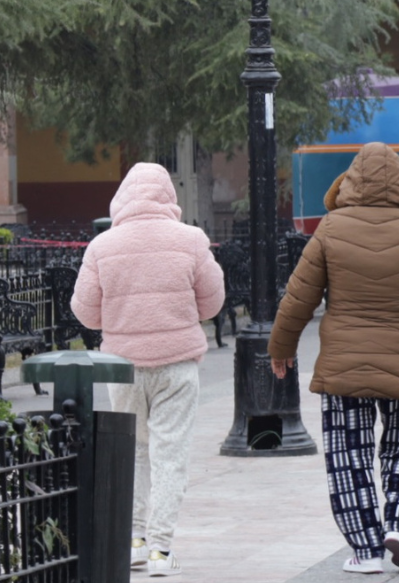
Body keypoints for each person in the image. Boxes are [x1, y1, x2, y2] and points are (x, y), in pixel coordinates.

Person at [268, 142, 399, 575]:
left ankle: (366, 548)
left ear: (349, 184)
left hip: (343, 368)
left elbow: (298, 297)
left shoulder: (331, 228)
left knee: (347, 454)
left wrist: (281, 348)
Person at [70, 162, 225, 578]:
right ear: (168, 197)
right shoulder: (192, 240)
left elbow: (84, 312)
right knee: (169, 454)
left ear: (122, 198)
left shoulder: (102, 246)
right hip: (177, 365)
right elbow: (212, 304)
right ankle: (161, 549)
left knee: (132, 452)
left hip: (124, 368)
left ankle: (134, 541)